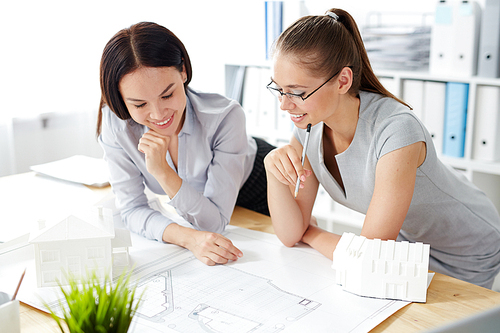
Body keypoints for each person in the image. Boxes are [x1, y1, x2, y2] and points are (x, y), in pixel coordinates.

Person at [263, 8, 500, 288]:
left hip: (463, 252)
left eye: (297, 92)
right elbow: (290, 234)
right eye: (278, 89)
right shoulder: (309, 127)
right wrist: (271, 166)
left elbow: (369, 259)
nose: (284, 104)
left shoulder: (396, 129)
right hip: (405, 245)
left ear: (342, 81)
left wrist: (312, 233)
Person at [96, 22, 274, 266]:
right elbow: (132, 209)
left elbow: (214, 223)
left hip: (258, 188)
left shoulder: (225, 116)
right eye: (139, 104)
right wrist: (189, 239)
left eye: (167, 95)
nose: (158, 115)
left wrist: (162, 171)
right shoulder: (116, 124)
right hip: (201, 207)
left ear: (183, 71)